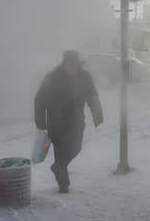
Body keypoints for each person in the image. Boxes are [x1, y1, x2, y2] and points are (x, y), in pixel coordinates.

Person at [34, 50, 103, 193]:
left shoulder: (85, 77)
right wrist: (41, 123)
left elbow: (93, 96)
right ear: (64, 63)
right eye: (69, 64)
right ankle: (63, 185)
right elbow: (39, 100)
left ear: (78, 64)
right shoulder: (52, 77)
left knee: (76, 147)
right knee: (60, 153)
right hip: (56, 123)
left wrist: (97, 115)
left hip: (76, 121)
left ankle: (58, 167)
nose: (72, 67)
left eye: (75, 64)